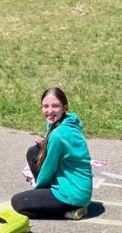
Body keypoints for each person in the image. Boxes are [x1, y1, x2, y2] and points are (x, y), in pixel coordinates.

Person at [12, 88, 93, 220]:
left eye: (55, 106)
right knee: (34, 152)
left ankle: (70, 211)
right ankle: (55, 201)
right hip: (79, 189)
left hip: (72, 193)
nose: (49, 111)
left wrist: (37, 190)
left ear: (64, 107)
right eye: (45, 106)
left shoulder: (59, 134)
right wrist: (46, 144)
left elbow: (48, 169)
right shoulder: (67, 122)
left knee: (18, 203)